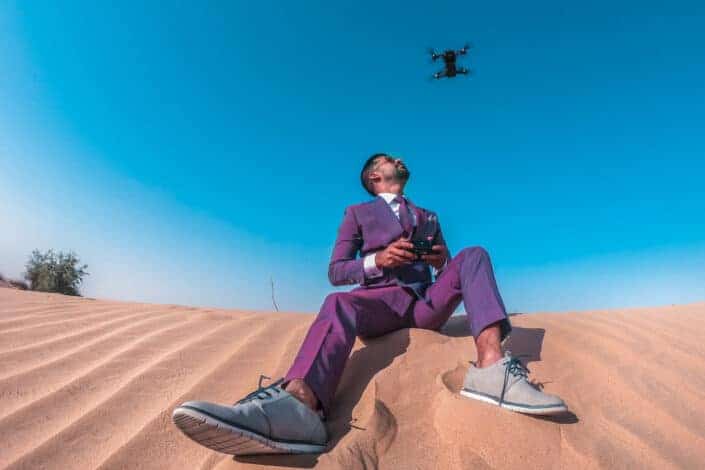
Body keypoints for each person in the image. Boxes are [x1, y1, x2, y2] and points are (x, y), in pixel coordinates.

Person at [172, 153, 567, 456]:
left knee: (475, 254)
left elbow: (447, 265)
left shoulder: (429, 215)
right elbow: (336, 270)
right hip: (380, 303)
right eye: (387, 160)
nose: (397, 160)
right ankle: (301, 404)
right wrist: (379, 259)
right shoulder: (357, 213)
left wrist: (439, 261)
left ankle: (492, 369)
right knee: (337, 303)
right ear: (375, 177)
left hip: (427, 302)